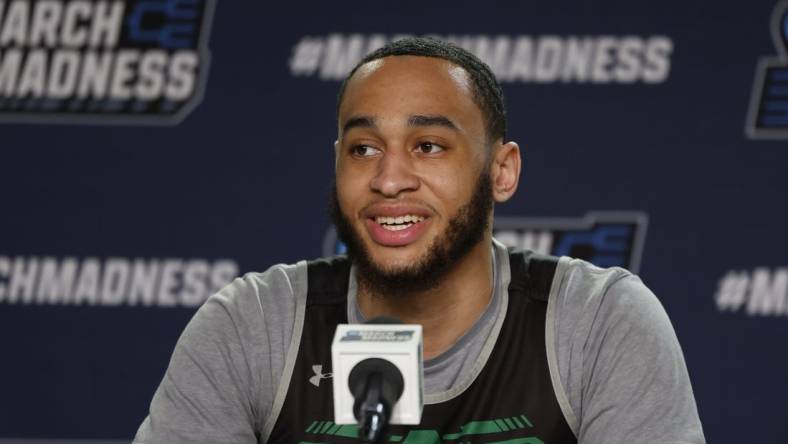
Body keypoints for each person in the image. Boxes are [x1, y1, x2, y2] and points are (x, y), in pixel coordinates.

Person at [133, 37, 705, 443]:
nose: (388, 179)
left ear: (501, 171)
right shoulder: (253, 325)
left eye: (429, 145)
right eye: (363, 149)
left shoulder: (597, 322)